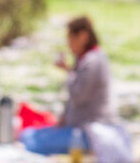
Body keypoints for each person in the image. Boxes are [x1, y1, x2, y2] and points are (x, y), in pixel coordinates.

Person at [22, 16, 115, 155]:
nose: (69, 45)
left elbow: (78, 95)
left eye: (71, 40)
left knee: (30, 140)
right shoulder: (84, 59)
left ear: (83, 36)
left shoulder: (93, 61)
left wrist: (68, 72)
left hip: (89, 133)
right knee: (28, 135)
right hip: (76, 129)